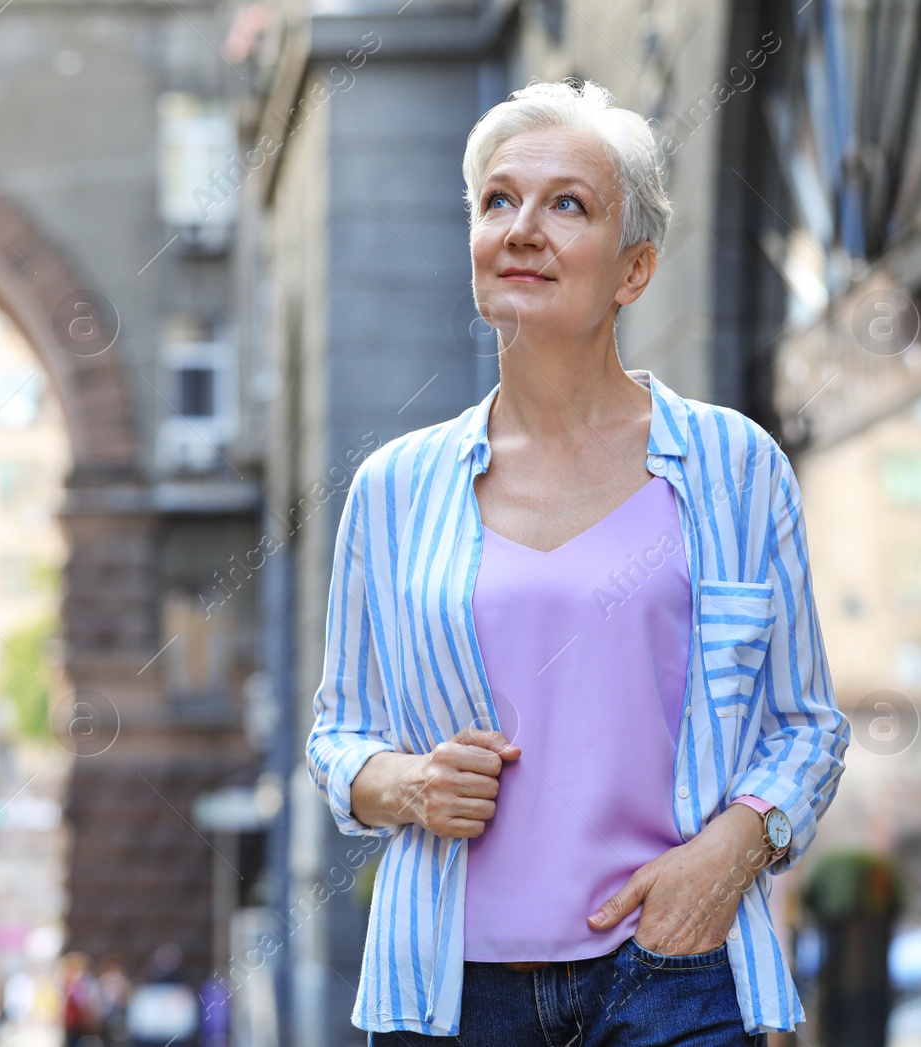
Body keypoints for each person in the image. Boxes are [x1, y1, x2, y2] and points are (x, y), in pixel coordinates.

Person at [305, 78, 850, 1047]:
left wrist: (729, 851)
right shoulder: (391, 490)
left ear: (633, 270)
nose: (521, 228)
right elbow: (338, 736)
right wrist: (407, 785)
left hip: (676, 972)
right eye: (497, 201)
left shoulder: (736, 468)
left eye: (567, 205)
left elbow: (807, 728)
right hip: (450, 992)